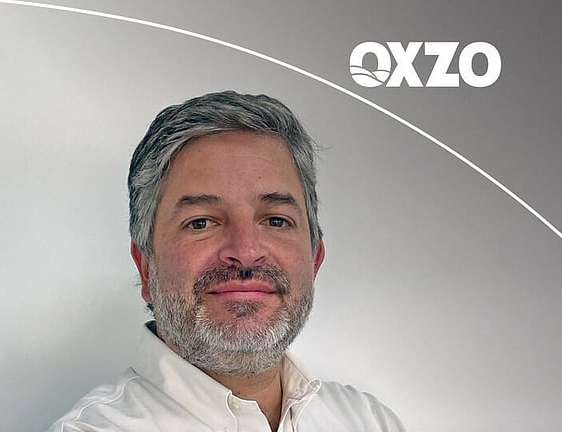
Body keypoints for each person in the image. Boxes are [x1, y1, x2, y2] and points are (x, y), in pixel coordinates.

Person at [47, 91, 405, 432]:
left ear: (315, 259)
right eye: (201, 223)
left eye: (276, 220)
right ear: (145, 268)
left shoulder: (368, 421)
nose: (246, 251)